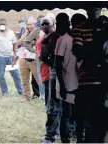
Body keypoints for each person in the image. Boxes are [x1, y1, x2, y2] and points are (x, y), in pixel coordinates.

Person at [72, 7, 107, 142]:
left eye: (97, 6)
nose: (94, 10)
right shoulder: (80, 28)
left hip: (100, 81)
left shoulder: (104, 26)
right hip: (90, 82)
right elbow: (78, 52)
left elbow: (81, 53)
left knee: (100, 123)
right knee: (92, 122)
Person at [54, 14, 78, 143]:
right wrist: (62, 86)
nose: (57, 26)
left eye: (59, 23)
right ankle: (65, 139)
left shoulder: (64, 39)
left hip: (74, 84)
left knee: (70, 114)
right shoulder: (64, 39)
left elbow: (57, 64)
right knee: (67, 114)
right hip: (68, 83)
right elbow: (57, 64)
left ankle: (71, 137)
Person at [39, 15, 62, 143]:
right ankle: (53, 135)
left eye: (46, 23)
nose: (45, 26)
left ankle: (53, 135)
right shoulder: (51, 37)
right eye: (43, 24)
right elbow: (45, 57)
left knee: (56, 105)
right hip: (59, 72)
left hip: (61, 72)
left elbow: (44, 56)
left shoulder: (53, 36)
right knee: (55, 105)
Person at [0, 18, 23, 96]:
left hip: (10, 56)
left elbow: (15, 43)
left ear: (6, 25)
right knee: (1, 75)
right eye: (1, 24)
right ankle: (4, 91)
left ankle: (20, 90)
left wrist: (15, 54)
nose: (2, 25)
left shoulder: (11, 32)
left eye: (4, 24)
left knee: (15, 74)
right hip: (0, 56)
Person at [18, 18, 39, 101]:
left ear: (35, 25)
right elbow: (19, 43)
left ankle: (43, 96)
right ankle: (26, 95)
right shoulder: (24, 32)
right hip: (23, 58)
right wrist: (25, 33)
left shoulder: (37, 33)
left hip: (33, 59)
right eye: (28, 24)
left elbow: (31, 43)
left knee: (38, 79)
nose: (29, 26)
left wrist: (26, 43)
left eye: (31, 24)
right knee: (24, 79)